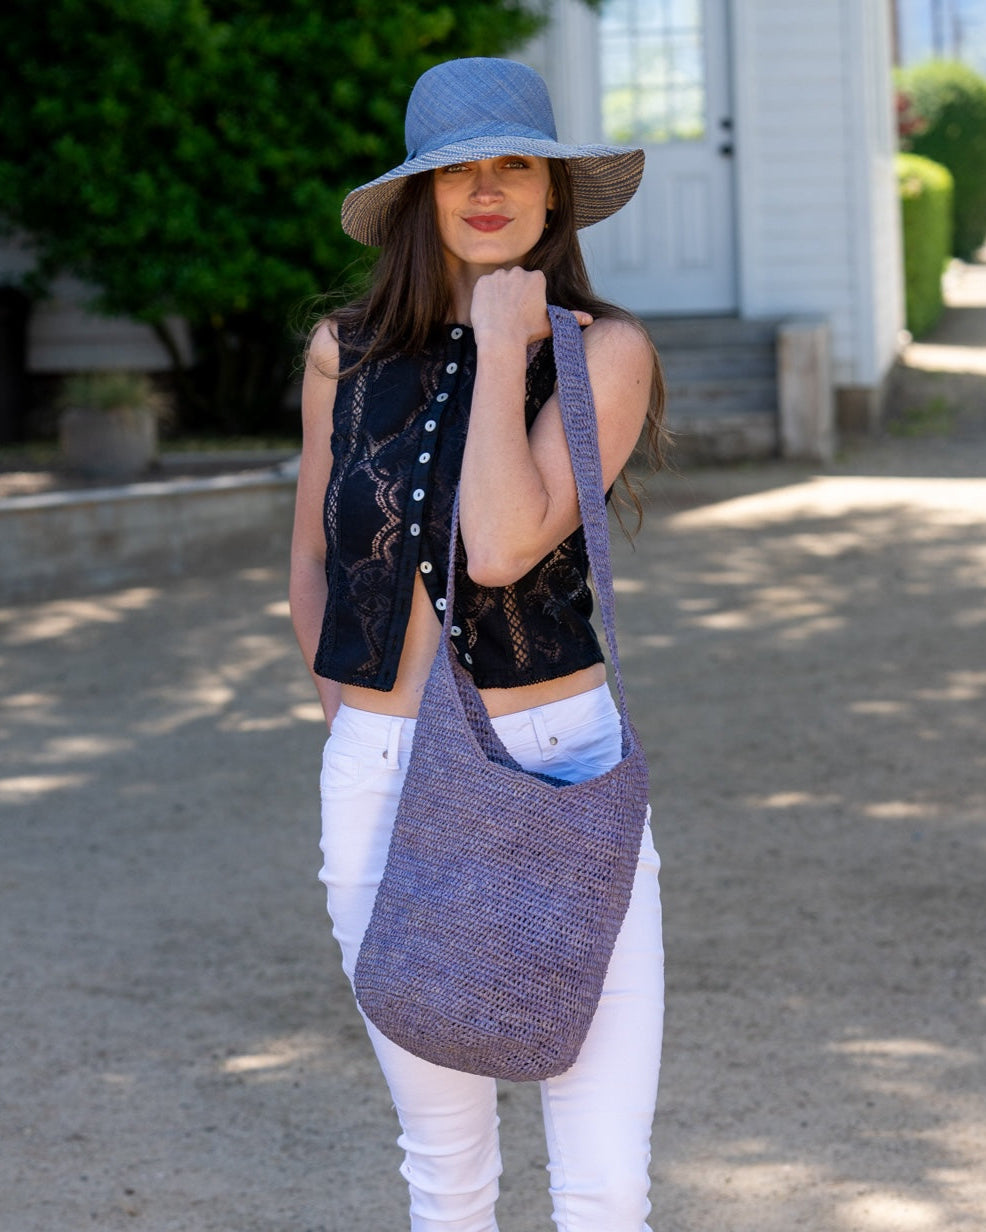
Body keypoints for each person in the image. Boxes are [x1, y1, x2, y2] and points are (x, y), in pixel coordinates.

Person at [289, 56, 666, 1232]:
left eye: (515, 163)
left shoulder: (601, 352)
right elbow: (311, 553)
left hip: (556, 761)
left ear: (553, 195)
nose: (487, 187)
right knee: (442, 1173)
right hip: (376, 775)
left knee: (601, 1184)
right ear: (419, 194)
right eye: (458, 167)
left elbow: (499, 546)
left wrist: (504, 342)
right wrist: (348, 718)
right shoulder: (338, 354)